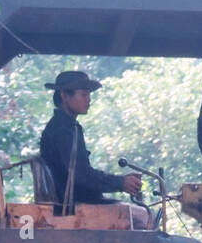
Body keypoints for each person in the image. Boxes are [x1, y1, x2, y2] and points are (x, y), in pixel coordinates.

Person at [39, 70, 141, 212]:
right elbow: (80, 175)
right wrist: (120, 183)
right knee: (139, 216)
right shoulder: (62, 130)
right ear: (64, 95)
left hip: (77, 199)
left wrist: (119, 182)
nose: (88, 100)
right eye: (83, 95)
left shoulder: (70, 127)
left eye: (89, 95)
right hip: (69, 205)